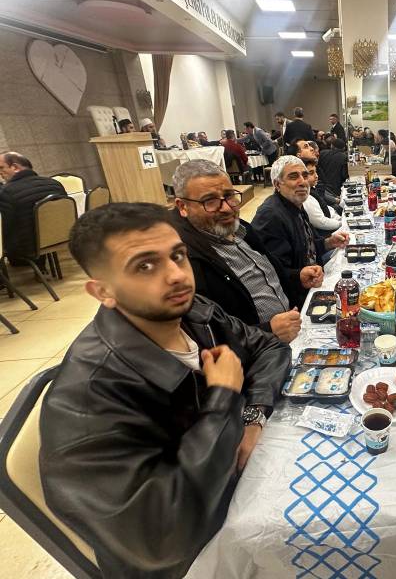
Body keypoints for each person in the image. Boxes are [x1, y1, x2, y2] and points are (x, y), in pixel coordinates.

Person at [40, 202, 292, 577]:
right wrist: (223, 398)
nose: (176, 275)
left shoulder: (194, 313)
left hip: (241, 495)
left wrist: (252, 418)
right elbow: (159, 537)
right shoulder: (85, 400)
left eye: (177, 256)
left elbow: (269, 347)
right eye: (145, 266)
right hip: (197, 558)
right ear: (102, 291)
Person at [171, 160, 322, 342]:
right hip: (262, 350)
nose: (227, 208)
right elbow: (203, 336)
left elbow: (271, 273)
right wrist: (267, 330)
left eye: (229, 196)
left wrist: (297, 277)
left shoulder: (239, 228)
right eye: (210, 201)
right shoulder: (185, 260)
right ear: (183, 207)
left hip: (293, 325)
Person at [251, 156, 348, 302]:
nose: (303, 182)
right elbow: (270, 272)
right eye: (293, 176)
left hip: (313, 280)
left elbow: (307, 247)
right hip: (294, 298)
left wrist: (329, 242)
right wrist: (299, 275)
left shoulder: (295, 205)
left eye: (305, 175)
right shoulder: (270, 216)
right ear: (277, 184)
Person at [0, 152, 67, 260]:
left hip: (26, 248)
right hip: (60, 237)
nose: (0, 173)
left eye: (1, 168)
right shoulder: (55, 184)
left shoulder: (6, 192)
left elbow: (3, 228)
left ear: (15, 167)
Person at [302, 157, 342, 236]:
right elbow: (321, 222)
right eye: (311, 173)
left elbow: (325, 207)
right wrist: (341, 223)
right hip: (325, 234)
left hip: (332, 222)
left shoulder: (312, 189)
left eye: (315, 172)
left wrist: (339, 218)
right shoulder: (306, 198)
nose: (316, 176)